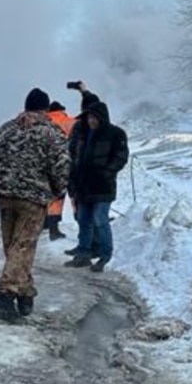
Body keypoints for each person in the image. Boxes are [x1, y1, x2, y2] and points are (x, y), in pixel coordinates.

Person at [0, 88, 71, 321]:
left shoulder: (5, 130)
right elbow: (61, 168)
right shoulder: (51, 133)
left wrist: (4, 180)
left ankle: (25, 294)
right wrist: (56, 191)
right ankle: (3, 298)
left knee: (14, 247)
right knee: (22, 247)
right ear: (45, 109)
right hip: (33, 198)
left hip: (5, 197)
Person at [64, 99, 129, 272]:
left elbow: (121, 157)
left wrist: (106, 173)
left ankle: (105, 254)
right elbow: (77, 158)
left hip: (102, 187)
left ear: (102, 117)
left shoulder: (116, 134)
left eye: (94, 118)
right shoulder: (84, 135)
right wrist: (73, 179)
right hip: (84, 186)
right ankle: (84, 253)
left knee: (100, 220)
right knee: (83, 219)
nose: (90, 121)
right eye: (88, 118)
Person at [43, 101, 76, 241]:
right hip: (70, 164)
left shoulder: (43, 122)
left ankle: (52, 228)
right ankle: (86, 227)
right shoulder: (69, 121)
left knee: (54, 198)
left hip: (49, 166)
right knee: (76, 196)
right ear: (62, 110)